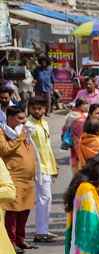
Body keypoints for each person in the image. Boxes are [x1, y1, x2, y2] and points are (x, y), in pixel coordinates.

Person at [0, 105, 37, 253]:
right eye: (20, 119)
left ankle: (21, 239)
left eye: (24, 118)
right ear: (9, 118)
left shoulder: (24, 132)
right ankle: (11, 242)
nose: (24, 122)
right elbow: (4, 150)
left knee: (25, 210)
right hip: (14, 177)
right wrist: (20, 137)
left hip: (28, 179)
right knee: (12, 212)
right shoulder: (3, 132)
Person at [27, 96, 57, 244]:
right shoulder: (28, 126)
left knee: (46, 198)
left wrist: (54, 165)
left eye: (40, 108)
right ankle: (40, 232)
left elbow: (48, 147)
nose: (37, 111)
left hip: (47, 165)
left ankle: (43, 230)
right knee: (43, 199)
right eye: (34, 108)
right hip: (38, 167)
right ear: (30, 109)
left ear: (45, 109)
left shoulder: (44, 123)